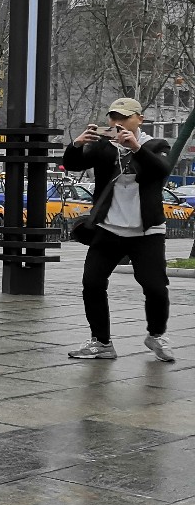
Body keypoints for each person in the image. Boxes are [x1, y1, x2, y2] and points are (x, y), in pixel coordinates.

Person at [61, 97, 174, 361]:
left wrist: (136, 148)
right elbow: (74, 164)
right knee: (92, 283)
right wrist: (77, 145)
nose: (118, 123)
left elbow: (161, 171)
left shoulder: (155, 145)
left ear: (139, 119)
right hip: (108, 228)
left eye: (124, 118)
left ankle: (156, 335)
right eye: (114, 118)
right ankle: (101, 342)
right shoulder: (104, 147)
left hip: (146, 232)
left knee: (156, 288)